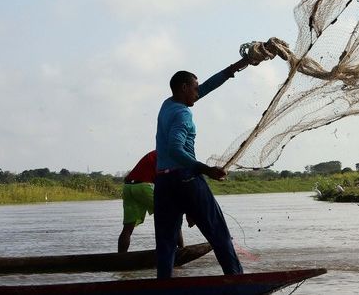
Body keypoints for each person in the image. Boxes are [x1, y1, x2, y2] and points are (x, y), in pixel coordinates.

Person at [154, 38, 288, 278]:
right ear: (184, 88)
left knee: (166, 241)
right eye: (194, 87)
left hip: (162, 183)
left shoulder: (168, 104)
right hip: (185, 179)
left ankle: (163, 286)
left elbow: (207, 87)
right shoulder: (183, 115)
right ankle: (236, 280)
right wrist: (206, 170)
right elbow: (175, 149)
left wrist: (242, 63)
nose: (198, 91)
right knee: (218, 234)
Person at [118, 150, 189, 253]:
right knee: (172, 216)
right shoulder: (172, 155)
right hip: (144, 186)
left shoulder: (158, 152)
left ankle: (120, 258)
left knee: (128, 228)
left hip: (128, 186)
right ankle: (181, 250)